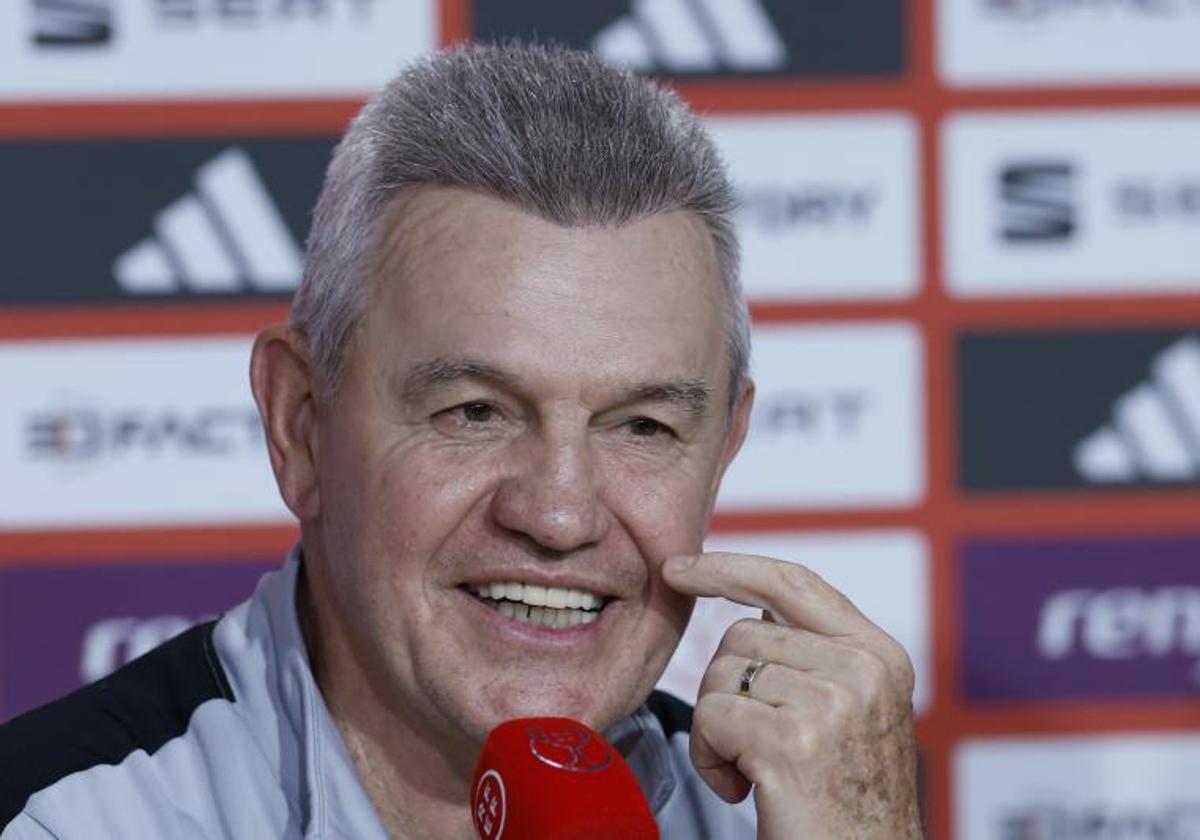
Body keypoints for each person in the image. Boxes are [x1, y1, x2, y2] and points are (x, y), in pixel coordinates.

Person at [0, 42, 921, 839]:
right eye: (475, 412)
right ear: (301, 425)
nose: (559, 514)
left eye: (643, 426)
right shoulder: (58, 820)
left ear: (723, 450)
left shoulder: (783, 817)